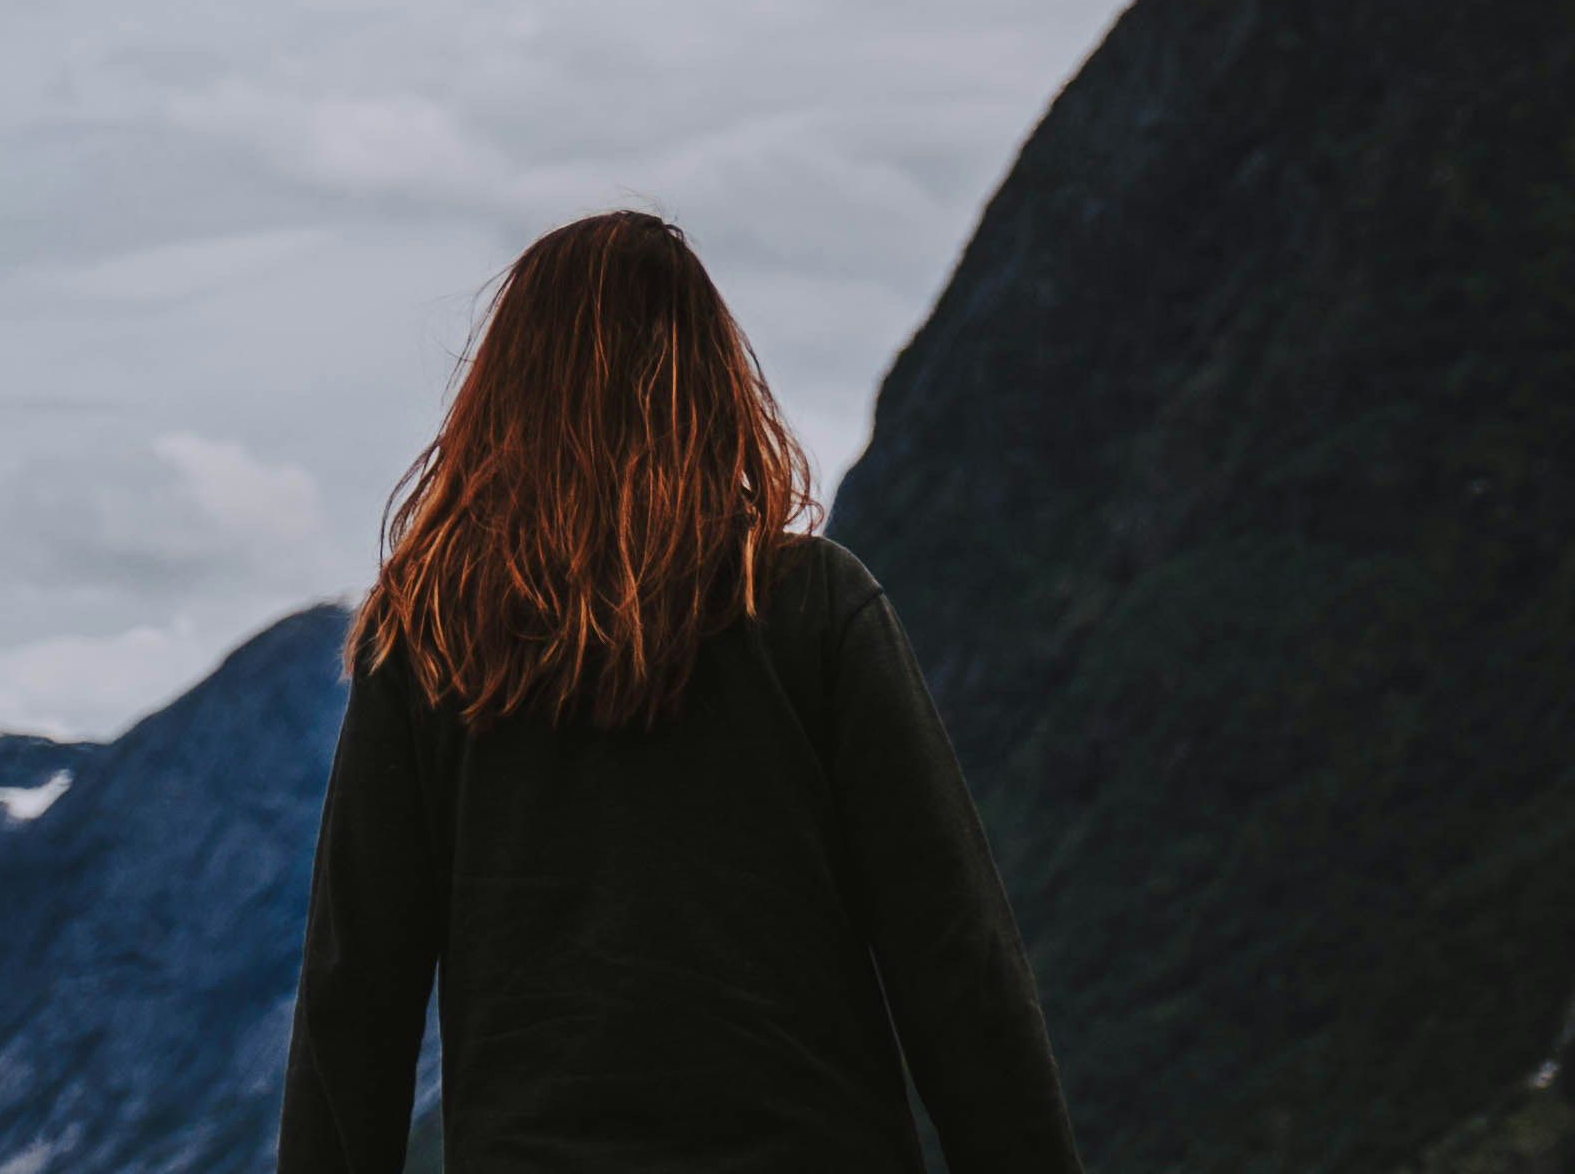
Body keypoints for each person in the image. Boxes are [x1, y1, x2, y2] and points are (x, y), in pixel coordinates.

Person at [275, 210, 1079, 1174]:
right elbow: (953, 957)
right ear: (711, 385)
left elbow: (355, 1000)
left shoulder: (429, 643)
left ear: (503, 397)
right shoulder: (810, 606)